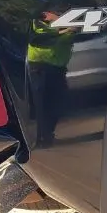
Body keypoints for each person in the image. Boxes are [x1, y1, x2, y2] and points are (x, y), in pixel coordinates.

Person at [27, 10, 74, 147]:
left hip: (58, 68)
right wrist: (63, 31)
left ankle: (47, 133)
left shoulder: (70, 24)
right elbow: (36, 39)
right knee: (41, 104)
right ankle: (42, 137)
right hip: (39, 67)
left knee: (58, 102)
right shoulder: (35, 24)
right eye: (54, 12)